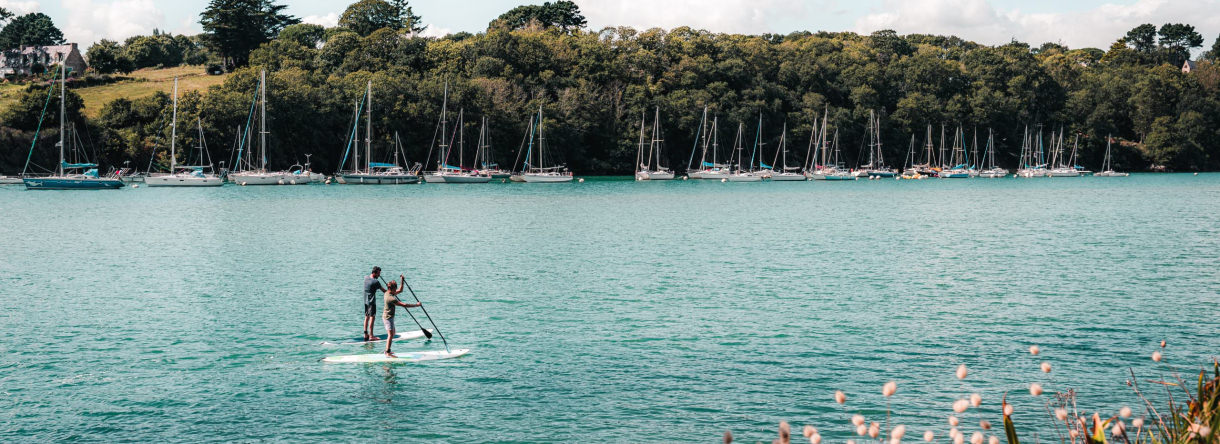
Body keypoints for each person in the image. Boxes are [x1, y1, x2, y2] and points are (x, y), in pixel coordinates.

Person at [383, 274, 422, 358]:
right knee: (390, 335)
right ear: (392, 289)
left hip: (390, 317)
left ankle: (387, 349)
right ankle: (387, 352)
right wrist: (416, 305)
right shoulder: (391, 298)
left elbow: (400, 290)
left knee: (392, 334)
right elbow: (404, 304)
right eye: (395, 289)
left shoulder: (388, 292)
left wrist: (402, 280)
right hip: (388, 318)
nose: (396, 290)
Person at [363, 267, 386, 342]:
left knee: (366, 317)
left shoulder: (366, 278)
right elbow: (384, 291)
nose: (379, 275)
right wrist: (391, 291)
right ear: (374, 273)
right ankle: (371, 336)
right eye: (378, 273)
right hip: (371, 302)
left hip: (366, 301)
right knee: (372, 318)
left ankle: (366, 334)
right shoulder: (375, 282)